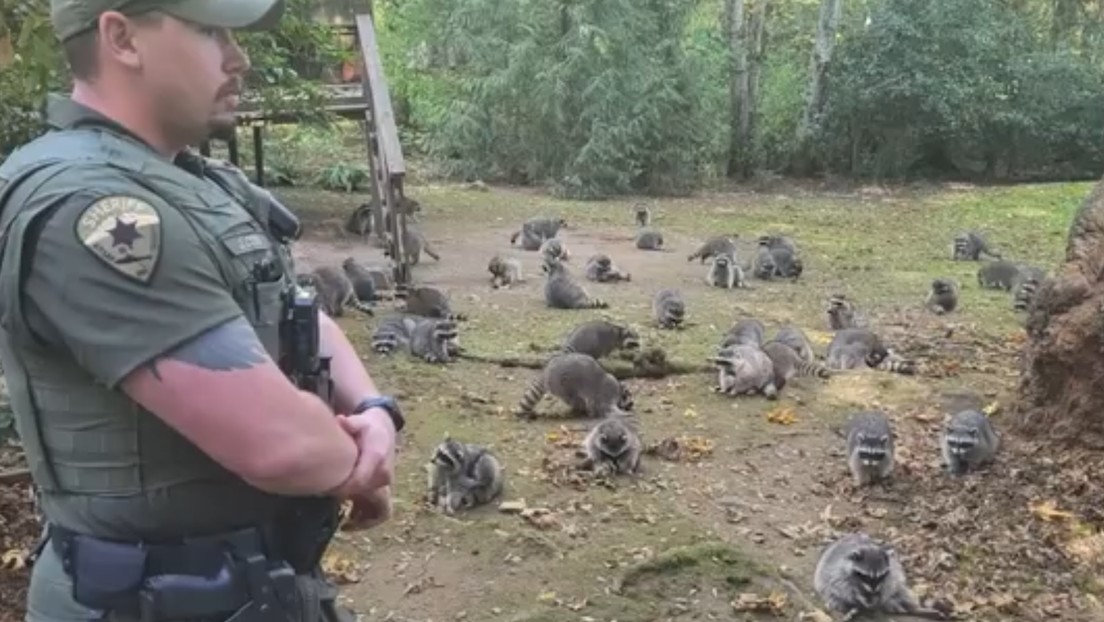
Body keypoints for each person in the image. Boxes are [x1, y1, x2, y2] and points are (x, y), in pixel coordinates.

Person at [0, 1, 403, 620]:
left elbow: (297, 313)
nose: (238, 58)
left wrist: (374, 412)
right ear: (121, 37)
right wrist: (357, 462)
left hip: (251, 588)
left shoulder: (187, 183)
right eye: (211, 32)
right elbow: (277, 444)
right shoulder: (95, 211)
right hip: (147, 600)